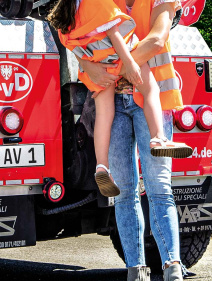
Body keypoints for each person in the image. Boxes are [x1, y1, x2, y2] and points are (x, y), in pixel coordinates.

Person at [47, 0, 192, 198]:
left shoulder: (69, 8)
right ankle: (158, 138)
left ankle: (101, 166)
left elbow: (67, 40)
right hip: (117, 55)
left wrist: (89, 65)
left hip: (95, 62)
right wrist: (129, 64)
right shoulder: (98, 2)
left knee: (104, 116)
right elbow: (114, 33)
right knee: (150, 90)